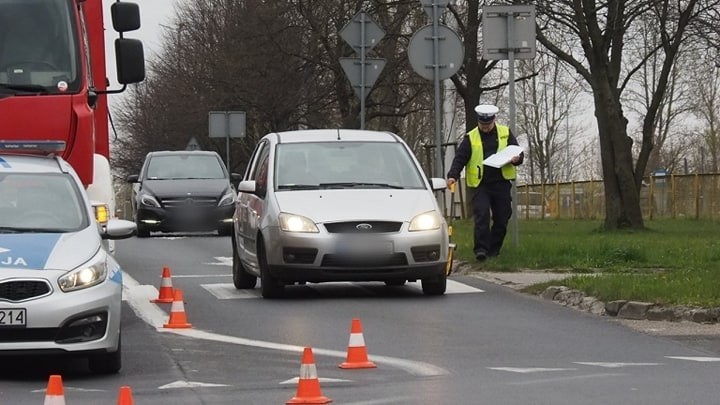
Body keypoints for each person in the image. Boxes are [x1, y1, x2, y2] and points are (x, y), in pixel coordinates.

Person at [446, 104, 524, 261]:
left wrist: (517, 159)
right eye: (483, 125)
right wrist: (452, 175)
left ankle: (494, 250)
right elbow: (461, 157)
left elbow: (518, 152)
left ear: (494, 120)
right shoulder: (471, 137)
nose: (485, 127)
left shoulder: (505, 133)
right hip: (481, 184)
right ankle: (481, 250)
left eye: (488, 125)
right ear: (478, 122)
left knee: (502, 217)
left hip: (501, 183)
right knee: (482, 215)